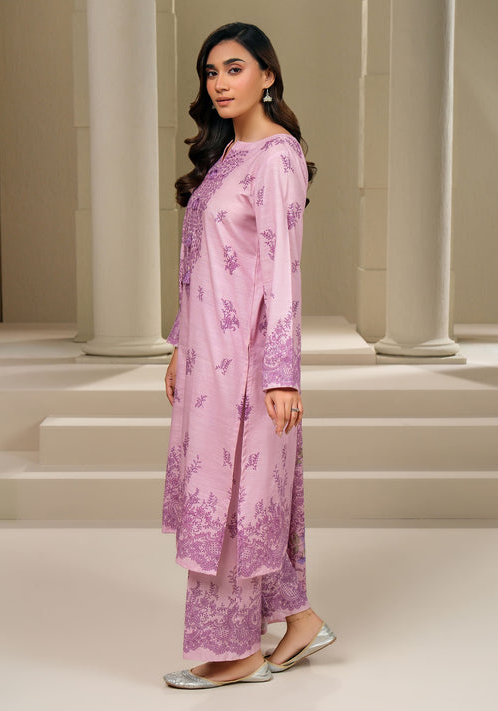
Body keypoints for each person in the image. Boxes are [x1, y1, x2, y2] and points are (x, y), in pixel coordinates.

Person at [162, 22, 336, 689]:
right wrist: (180, 347)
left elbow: (281, 272)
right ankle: (299, 621)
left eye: (234, 68)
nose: (219, 83)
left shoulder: (276, 156)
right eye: (211, 72)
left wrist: (281, 374)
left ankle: (236, 651)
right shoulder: (228, 155)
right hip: (207, 359)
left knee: (236, 496)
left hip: (250, 361)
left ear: (267, 75)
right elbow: (201, 266)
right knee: (230, 493)